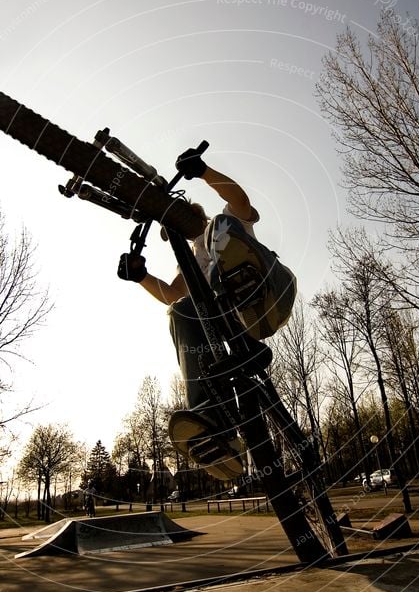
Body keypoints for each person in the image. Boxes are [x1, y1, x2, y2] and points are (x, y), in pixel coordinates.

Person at [118, 148, 296, 480]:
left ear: (193, 212)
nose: (181, 235)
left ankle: (252, 292)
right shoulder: (192, 264)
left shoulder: (221, 224)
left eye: (182, 223)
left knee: (223, 229)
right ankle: (215, 424)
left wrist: (203, 171)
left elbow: (240, 199)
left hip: (275, 293)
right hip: (240, 325)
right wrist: (141, 277)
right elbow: (171, 294)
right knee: (182, 310)